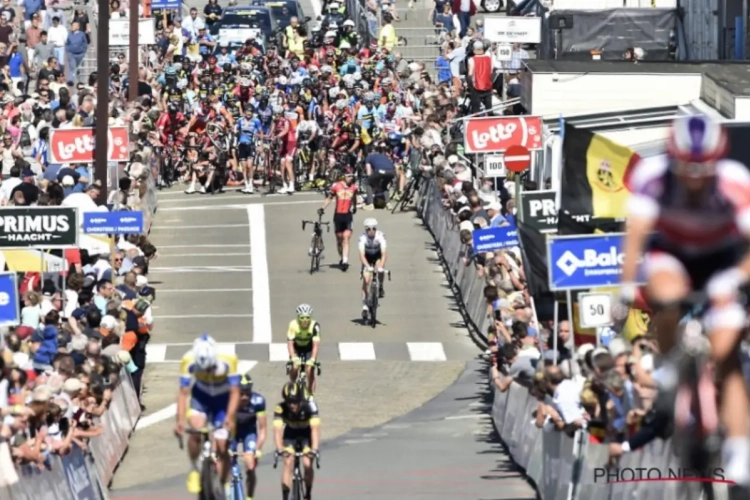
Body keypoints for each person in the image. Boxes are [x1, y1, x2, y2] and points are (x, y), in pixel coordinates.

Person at [619, 114, 750, 488]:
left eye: (703, 168)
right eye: (685, 168)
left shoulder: (735, 181)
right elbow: (635, 238)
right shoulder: (652, 179)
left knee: (727, 357)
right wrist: (626, 287)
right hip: (673, 253)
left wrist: (735, 278)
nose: (694, 176)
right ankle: (671, 362)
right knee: (664, 292)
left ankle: (739, 449)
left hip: (721, 258)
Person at [174, 334, 241, 494]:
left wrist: (229, 417)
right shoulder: (188, 360)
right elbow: (183, 393)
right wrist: (180, 421)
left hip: (223, 401)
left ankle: (223, 483)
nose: (208, 371)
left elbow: (235, 392)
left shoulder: (228, 358)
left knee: (222, 445)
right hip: (201, 397)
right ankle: (194, 468)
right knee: (196, 431)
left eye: (210, 367)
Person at [273, 382, 320, 500]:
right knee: (288, 462)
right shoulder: (280, 408)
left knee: (307, 463)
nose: (292, 405)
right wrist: (280, 449)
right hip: (290, 434)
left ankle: (308, 494)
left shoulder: (310, 406)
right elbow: (277, 431)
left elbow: (315, 429)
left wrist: (314, 449)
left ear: (300, 399)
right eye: (289, 402)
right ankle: (285, 497)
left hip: (306, 435)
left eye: (294, 402)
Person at [232, 372, 267, 500]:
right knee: (224, 462)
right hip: (232, 432)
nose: (245, 397)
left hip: (249, 432)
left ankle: (249, 497)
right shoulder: (228, 400)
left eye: (248, 393)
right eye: (241, 393)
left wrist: (257, 450)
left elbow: (263, 429)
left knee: (250, 466)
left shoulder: (258, 401)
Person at [320, 168, 358, 271]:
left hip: (348, 216)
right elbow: (329, 197)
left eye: (352, 176)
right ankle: (341, 257)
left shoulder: (354, 188)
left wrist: (354, 206)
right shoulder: (336, 186)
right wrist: (322, 208)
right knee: (339, 239)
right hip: (338, 216)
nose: (351, 178)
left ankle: (345, 260)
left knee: (346, 238)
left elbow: (354, 197)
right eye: (349, 176)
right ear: (344, 176)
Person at [286, 304, 321, 395]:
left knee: (310, 368)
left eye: (307, 318)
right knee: (295, 366)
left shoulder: (315, 326)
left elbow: (316, 345)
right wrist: (293, 357)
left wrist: (313, 359)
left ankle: (309, 390)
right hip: (296, 348)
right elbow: (290, 344)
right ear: (298, 318)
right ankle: (293, 383)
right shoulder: (293, 325)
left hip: (309, 348)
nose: (305, 321)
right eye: (302, 318)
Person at [358, 218, 388, 321]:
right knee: (366, 280)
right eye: (369, 229)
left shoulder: (380, 236)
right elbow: (361, 255)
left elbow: (384, 254)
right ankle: (365, 306)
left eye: (374, 229)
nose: (371, 231)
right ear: (366, 230)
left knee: (380, 269)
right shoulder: (362, 238)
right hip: (367, 258)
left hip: (377, 256)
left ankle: (381, 286)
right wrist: (367, 266)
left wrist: (380, 267)